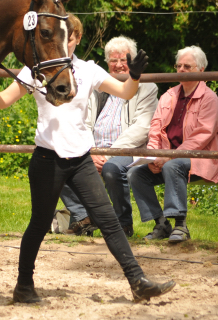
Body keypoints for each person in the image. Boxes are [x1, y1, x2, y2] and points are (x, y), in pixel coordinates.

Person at [0, 16, 175, 303]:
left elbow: (125, 92)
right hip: (48, 159)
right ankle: (23, 285)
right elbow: (3, 100)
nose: (63, 43)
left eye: (68, 38)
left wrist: (133, 76)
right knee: (39, 222)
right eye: (58, 37)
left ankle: (137, 280)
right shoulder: (37, 70)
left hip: (81, 158)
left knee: (108, 219)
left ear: (78, 39)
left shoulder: (88, 70)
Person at [60, 35, 158, 238]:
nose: (119, 65)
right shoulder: (97, 88)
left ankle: (123, 224)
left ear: (133, 62)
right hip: (94, 150)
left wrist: (108, 155)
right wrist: (91, 152)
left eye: (124, 60)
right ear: (107, 63)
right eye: (114, 60)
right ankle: (83, 217)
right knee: (60, 160)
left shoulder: (147, 88)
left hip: (128, 151)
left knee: (112, 169)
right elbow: (83, 123)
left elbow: (142, 129)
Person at [128, 46, 218, 243]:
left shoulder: (210, 98)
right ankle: (161, 224)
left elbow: (203, 135)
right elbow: (155, 130)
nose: (182, 70)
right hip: (166, 158)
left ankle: (181, 225)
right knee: (135, 174)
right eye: (178, 66)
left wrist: (168, 156)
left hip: (198, 159)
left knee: (173, 165)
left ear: (201, 70)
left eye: (187, 66)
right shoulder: (168, 96)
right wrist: (152, 156)